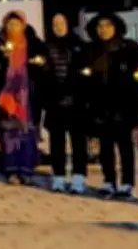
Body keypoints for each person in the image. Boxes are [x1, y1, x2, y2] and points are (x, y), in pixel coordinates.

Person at [81, 12, 138, 198]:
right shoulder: (91, 50)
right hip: (99, 105)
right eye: (100, 26)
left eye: (108, 25)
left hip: (123, 104)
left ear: (116, 27)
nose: (104, 30)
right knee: (105, 146)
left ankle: (127, 182)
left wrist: (137, 102)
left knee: (125, 145)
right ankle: (109, 180)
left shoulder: (129, 48)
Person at [0, 11, 49, 185]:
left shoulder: (33, 43)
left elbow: (45, 63)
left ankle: (26, 169)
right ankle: (10, 169)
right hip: (6, 95)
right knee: (8, 133)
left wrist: (40, 63)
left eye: (16, 25)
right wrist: (2, 58)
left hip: (28, 94)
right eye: (9, 25)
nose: (13, 28)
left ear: (23, 25)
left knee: (27, 131)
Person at [45, 13, 88, 194]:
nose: (59, 26)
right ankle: (59, 177)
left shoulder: (79, 45)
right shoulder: (47, 45)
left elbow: (84, 71)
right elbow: (43, 73)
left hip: (75, 101)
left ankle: (78, 176)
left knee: (78, 140)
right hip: (54, 101)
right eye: (55, 23)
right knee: (56, 141)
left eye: (62, 22)